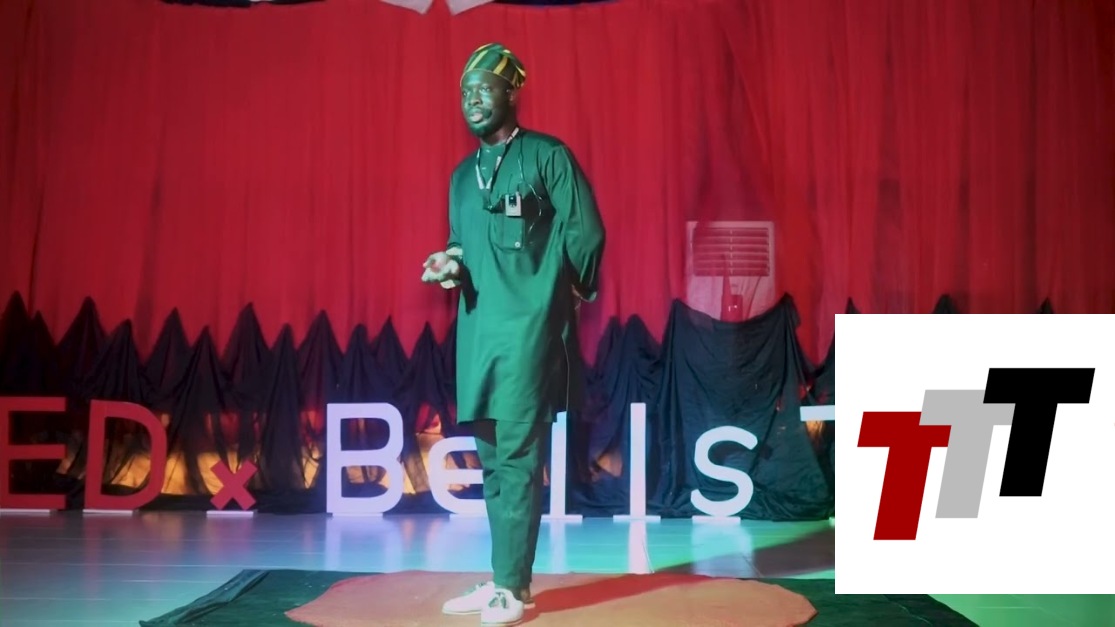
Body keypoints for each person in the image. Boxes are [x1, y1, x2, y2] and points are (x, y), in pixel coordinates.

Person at [421, 42, 606, 626]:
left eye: (485, 89)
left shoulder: (547, 156)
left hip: (529, 334)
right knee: (494, 461)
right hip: (477, 335)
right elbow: (460, 243)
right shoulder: (461, 177)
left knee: (520, 457)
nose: (473, 100)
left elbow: (586, 232)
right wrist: (448, 264)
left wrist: (561, 294)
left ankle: (510, 585)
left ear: (511, 93)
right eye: (465, 92)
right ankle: (508, 581)